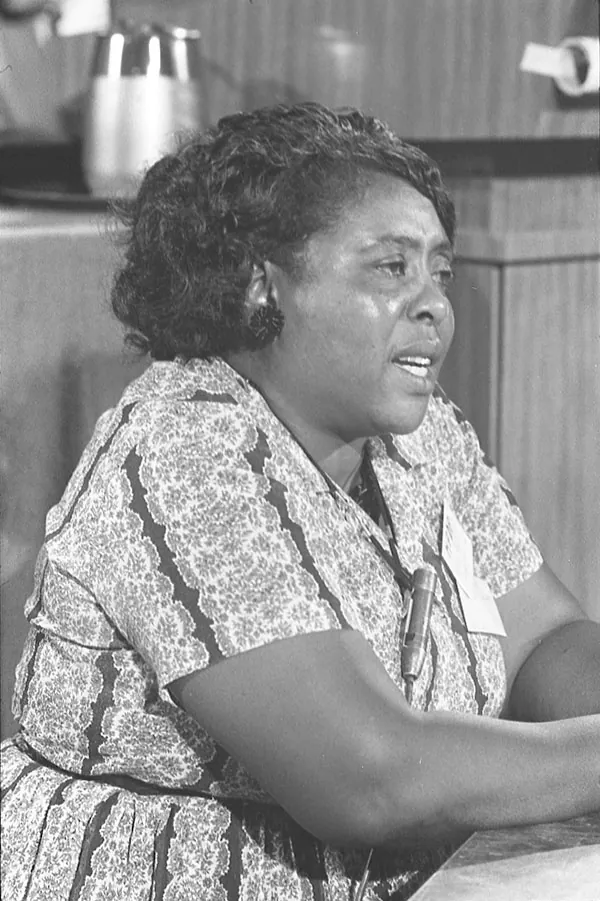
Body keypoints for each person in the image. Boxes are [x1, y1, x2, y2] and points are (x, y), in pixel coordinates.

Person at [1, 102, 599, 901]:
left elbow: (542, 638)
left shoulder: (422, 438)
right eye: (392, 268)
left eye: (440, 272)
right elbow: (367, 775)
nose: (434, 305)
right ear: (262, 284)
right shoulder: (185, 449)